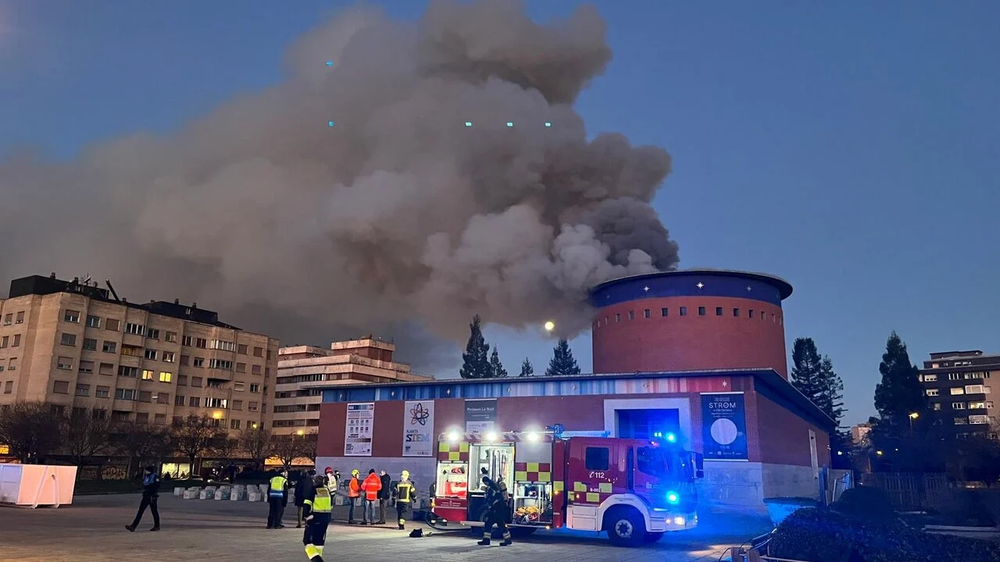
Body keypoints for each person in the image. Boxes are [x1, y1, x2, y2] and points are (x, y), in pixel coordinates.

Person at [301, 474, 333, 562]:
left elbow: (307, 503)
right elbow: (331, 504)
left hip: (315, 518)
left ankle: (317, 560)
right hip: (326, 518)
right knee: (319, 542)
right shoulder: (327, 490)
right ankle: (318, 557)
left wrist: (306, 515)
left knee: (307, 541)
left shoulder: (313, 490)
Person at [478, 467, 512, 546]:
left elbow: (497, 496)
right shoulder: (491, 486)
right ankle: (487, 540)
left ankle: (506, 540)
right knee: (490, 524)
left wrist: (492, 504)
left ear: (486, 481)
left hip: (497, 509)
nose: (485, 484)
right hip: (496, 509)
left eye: (485, 482)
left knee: (499, 524)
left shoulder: (492, 486)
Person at [125, 465, 160, 532]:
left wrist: (150, 492)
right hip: (146, 496)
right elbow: (145, 484)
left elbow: (156, 486)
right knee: (142, 511)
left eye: (147, 470)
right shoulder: (147, 476)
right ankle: (133, 526)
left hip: (151, 497)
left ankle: (156, 526)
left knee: (152, 512)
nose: (146, 472)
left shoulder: (155, 477)